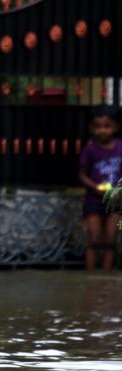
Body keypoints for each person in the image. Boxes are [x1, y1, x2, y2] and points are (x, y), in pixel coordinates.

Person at [78, 105, 122, 272]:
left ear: (116, 127)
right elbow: (81, 175)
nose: (102, 130)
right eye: (97, 126)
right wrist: (94, 187)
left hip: (115, 200)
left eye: (107, 126)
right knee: (94, 239)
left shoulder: (120, 147)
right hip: (93, 200)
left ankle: (106, 277)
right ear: (91, 128)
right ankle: (91, 279)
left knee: (111, 240)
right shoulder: (90, 149)